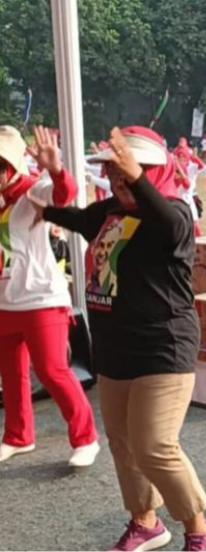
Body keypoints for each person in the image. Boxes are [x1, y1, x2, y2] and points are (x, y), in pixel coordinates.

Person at [37, 126, 206, 551]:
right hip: (115, 347)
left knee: (154, 444)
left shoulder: (173, 214)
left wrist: (137, 177)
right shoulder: (109, 212)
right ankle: (145, 522)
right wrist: (42, 205)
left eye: (129, 173)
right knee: (122, 444)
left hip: (163, 346)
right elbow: (76, 217)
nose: (119, 181)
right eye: (113, 173)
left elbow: (167, 221)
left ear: (154, 172)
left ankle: (201, 530)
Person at [0, 125, 99, 466]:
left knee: (54, 370)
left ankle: (86, 438)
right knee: (11, 373)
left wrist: (55, 169)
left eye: (1, 165)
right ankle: (18, 435)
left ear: (12, 167)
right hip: (5, 300)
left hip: (42, 298)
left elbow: (64, 194)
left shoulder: (33, 191)